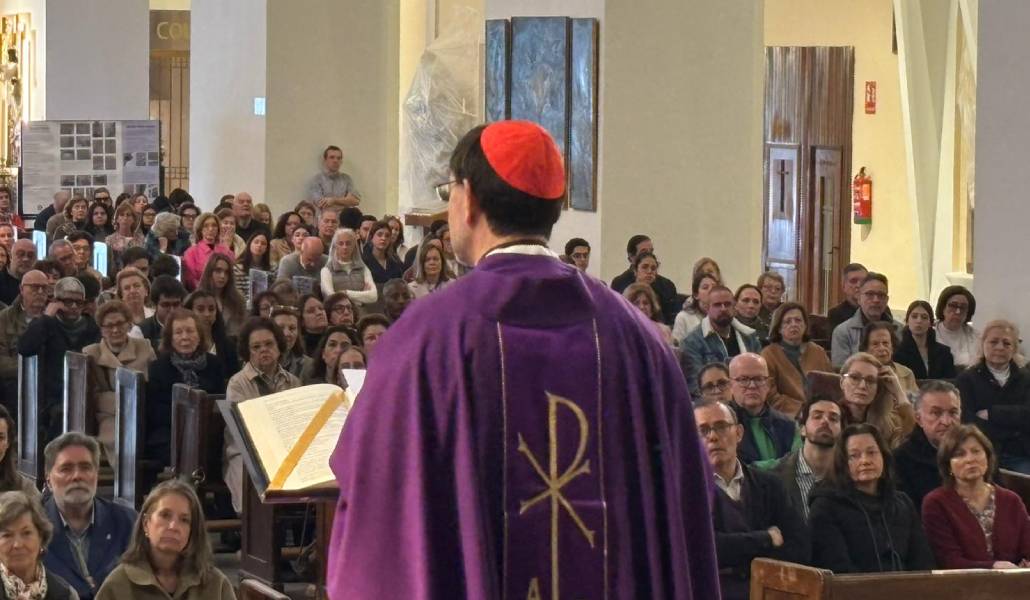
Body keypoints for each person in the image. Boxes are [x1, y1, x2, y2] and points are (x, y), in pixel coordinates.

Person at [327, 120, 720, 598]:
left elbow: (375, 498)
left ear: (467, 199)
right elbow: (683, 498)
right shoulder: (636, 338)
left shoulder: (426, 338)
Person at [694, 400, 808, 600]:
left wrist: (736, 555)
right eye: (703, 430)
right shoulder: (685, 492)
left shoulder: (770, 484)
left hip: (769, 592)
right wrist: (766, 538)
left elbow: (798, 546)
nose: (712, 437)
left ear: (739, 433)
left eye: (721, 427)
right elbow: (704, 550)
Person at [808, 423, 935, 573]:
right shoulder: (825, 507)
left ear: (883, 456)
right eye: (854, 455)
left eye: (871, 452)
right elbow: (837, 569)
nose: (865, 461)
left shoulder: (902, 504)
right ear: (842, 463)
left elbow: (922, 562)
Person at [95, 479, 235, 600]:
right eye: (165, 515)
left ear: (192, 531)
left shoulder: (216, 584)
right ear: (146, 523)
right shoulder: (118, 584)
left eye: (184, 520)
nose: (173, 526)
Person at [41, 433, 136, 599]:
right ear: (48, 480)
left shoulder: (127, 521)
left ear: (96, 475)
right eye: (66, 469)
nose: (77, 476)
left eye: (85, 467)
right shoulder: (31, 525)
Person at [922, 424, 1030, 569]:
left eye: (976, 451)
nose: (970, 459)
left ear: (987, 457)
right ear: (948, 465)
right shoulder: (936, 503)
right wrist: (994, 566)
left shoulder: (1011, 500)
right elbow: (949, 561)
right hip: (962, 587)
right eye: (960, 454)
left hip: (1014, 585)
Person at [225, 318, 300, 512]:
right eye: (256, 347)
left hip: (286, 451)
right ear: (247, 351)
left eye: (269, 344)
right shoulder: (237, 383)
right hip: (246, 451)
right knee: (252, 483)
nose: (263, 350)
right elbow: (244, 426)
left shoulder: (293, 382)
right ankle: (252, 535)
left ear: (279, 346)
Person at [17, 278, 100, 441]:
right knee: (60, 416)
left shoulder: (92, 328)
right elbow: (25, 348)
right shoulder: (46, 325)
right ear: (55, 302)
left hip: (86, 393)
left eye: (79, 302)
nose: (74, 307)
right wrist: (47, 316)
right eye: (67, 301)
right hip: (53, 396)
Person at [144, 309, 224, 468]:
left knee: (220, 449)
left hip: (206, 431)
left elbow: (220, 401)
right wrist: (187, 418)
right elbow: (155, 412)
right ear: (170, 338)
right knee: (185, 450)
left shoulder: (214, 364)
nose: (185, 337)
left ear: (199, 335)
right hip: (170, 432)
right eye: (178, 332)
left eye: (190, 331)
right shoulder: (158, 367)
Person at [83, 302, 155, 467]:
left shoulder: (145, 348)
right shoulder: (91, 353)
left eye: (120, 324)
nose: (115, 330)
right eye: (109, 326)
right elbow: (93, 396)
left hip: (143, 413)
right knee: (120, 439)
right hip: (109, 417)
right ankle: (126, 487)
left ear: (129, 325)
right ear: (101, 329)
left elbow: (153, 386)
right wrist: (125, 401)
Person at [956, 319, 1030, 474]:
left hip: (1021, 453)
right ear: (983, 344)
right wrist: (1012, 419)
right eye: (993, 342)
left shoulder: (1026, 379)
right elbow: (967, 419)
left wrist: (992, 413)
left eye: (1006, 343)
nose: (999, 347)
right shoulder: (967, 379)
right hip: (982, 452)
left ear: (1014, 348)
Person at [681, 285, 762, 397]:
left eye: (727, 304)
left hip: (747, 400)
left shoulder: (749, 337)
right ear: (707, 308)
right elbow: (696, 386)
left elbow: (760, 376)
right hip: (713, 403)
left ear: (734, 307)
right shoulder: (692, 342)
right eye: (717, 305)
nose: (723, 308)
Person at [895, 381, 963, 511]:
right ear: (919, 418)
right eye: (936, 413)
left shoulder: (975, 452)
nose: (946, 421)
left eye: (953, 412)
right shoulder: (900, 460)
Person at [771, 395, 842, 519]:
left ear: (841, 431)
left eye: (833, 418)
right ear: (802, 429)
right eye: (817, 416)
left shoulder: (851, 476)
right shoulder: (775, 478)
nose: (825, 421)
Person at [0, 491, 78, 600]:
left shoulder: (65, 594)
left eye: (26, 533)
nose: (17, 544)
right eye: (7, 535)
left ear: (41, 537)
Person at [761, 302, 832, 418]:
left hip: (822, 411)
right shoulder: (768, 354)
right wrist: (800, 411)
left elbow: (831, 384)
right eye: (787, 321)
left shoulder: (818, 351)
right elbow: (770, 395)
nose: (793, 325)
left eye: (798, 320)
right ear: (778, 328)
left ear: (805, 325)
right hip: (786, 416)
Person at [726, 353, 795, 464]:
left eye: (759, 379)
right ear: (730, 386)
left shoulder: (787, 424)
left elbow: (796, 465)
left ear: (768, 385)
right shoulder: (722, 426)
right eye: (744, 379)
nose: (752, 385)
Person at [838, 352, 915, 448]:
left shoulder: (888, 423)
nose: (862, 386)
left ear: (878, 388)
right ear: (842, 382)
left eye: (870, 381)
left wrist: (898, 391)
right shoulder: (831, 416)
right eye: (854, 377)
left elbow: (913, 439)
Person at [0, 270, 48, 412]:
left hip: (49, 384)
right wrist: (30, 369)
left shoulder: (54, 316)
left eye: (44, 288)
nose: (40, 292)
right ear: (21, 289)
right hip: (16, 381)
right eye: (34, 287)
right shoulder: (4, 319)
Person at [831, 272, 901, 367]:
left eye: (881, 295)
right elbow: (841, 370)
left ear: (887, 300)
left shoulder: (899, 329)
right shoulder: (843, 332)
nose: (876, 300)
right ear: (859, 298)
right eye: (870, 294)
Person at [609, 234, 680, 323]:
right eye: (644, 252)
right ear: (631, 258)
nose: (648, 255)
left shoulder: (666, 285)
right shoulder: (620, 283)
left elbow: (673, 318)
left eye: (651, 251)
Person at [892, 300, 957, 380]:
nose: (919, 321)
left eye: (924, 317)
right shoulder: (897, 353)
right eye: (914, 316)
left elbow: (951, 382)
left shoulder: (944, 352)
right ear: (907, 321)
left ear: (930, 323)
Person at [182, 291, 239, 376]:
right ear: (190, 311)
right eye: (200, 309)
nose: (207, 314)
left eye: (211, 309)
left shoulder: (228, 345)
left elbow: (234, 377)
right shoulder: (183, 344)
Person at [860, 320, 918, 397]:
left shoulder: (906, 374)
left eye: (885, 343)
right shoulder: (858, 374)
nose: (881, 348)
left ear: (892, 347)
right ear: (866, 349)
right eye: (875, 344)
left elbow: (917, 406)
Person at [320, 228, 377, 306]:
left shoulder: (363, 269)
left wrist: (345, 293)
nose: (344, 247)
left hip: (363, 314)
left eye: (348, 243)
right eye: (341, 243)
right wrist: (360, 301)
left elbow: (373, 296)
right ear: (335, 246)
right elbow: (332, 299)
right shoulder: (326, 270)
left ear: (354, 246)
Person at [197, 254, 246, 338]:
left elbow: (239, 332)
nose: (222, 276)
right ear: (209, 272)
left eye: (226, 272)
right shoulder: (196, 299)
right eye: (218, 271)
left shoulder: (237, 301)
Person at [181, 212, 232, 291]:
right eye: (206, 226)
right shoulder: (191, 252)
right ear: (200, 229)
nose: (211, 229)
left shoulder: (225, 250)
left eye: (214, 225)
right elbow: (191, 281)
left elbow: (232, 274)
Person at [934, 285, 980, 368]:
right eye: (953, 306)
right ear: (943, 308)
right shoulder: (930, 334)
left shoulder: (976, 337)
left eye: (963, 308)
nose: (958, 311)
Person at [137, 276, 186, 352]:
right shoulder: (141, 331)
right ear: (154, 305)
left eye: (176, 304)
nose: (172, 310)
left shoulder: (191, 327)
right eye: (166, 305)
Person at [103, 203, 145, 273]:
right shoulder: (109, 239)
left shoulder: (141, 238)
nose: (125, 218)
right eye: (122, 215)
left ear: (133, 219)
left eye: (128, 215)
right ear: (117, 219)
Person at [827, 263, 869, 330]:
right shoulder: (836, 314)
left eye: (863, 281)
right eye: (853, 281)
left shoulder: (879, 308)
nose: (859, 285)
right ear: (844, 286)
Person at [362, 220, 405, 285]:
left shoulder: (395, 261)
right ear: (371, 237)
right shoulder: (364, 261)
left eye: (387, 236)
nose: (383, 238)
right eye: (379, 235)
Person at [234, 232, 272, 303]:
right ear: (249, 244)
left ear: (267, 248)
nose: (259, 245)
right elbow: (237, 292)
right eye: (256, 242)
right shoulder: (238, 268)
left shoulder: (272, 269)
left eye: (263, 243)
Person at [0, 239, 37, 305]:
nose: (26, 259)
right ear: (11, 257)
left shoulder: (42, 281)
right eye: (21, 254)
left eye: (30, 256)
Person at [272, 307, 307, 377]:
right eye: (280, 328)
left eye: (292, 328)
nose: (287, 333)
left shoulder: (308, 365)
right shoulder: (256, 362)